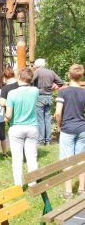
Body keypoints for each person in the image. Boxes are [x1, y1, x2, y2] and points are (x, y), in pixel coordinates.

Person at [55, 64, 85, 198]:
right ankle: (81, 189)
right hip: (82, 128)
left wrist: (59, 125)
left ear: (69, 75)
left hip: (67, 128)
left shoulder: (63, 91)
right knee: (81, 159)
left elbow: (57, 112)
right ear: (81, 76)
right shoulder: (84, 92)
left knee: (67, 161)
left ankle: (68, 192)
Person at [5, 68, 39, 186]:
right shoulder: (35, 91)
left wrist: (6, 119)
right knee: (32, 157)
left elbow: (9, 115)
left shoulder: (12, 93)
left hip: (16, 127)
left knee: (17, 158)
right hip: (32, 127)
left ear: (19, 77)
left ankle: (18, 185)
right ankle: (33, 182)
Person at [32, 58, 63, 145]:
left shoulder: (37, 72)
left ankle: (41, 140)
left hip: (39, 96)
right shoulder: (51, 72)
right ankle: (48, 140)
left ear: (37, 65)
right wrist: (53, 86)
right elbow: (60, 82)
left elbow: (30, 81)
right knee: (47, 119)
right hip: (49, 97)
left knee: (40, 119)